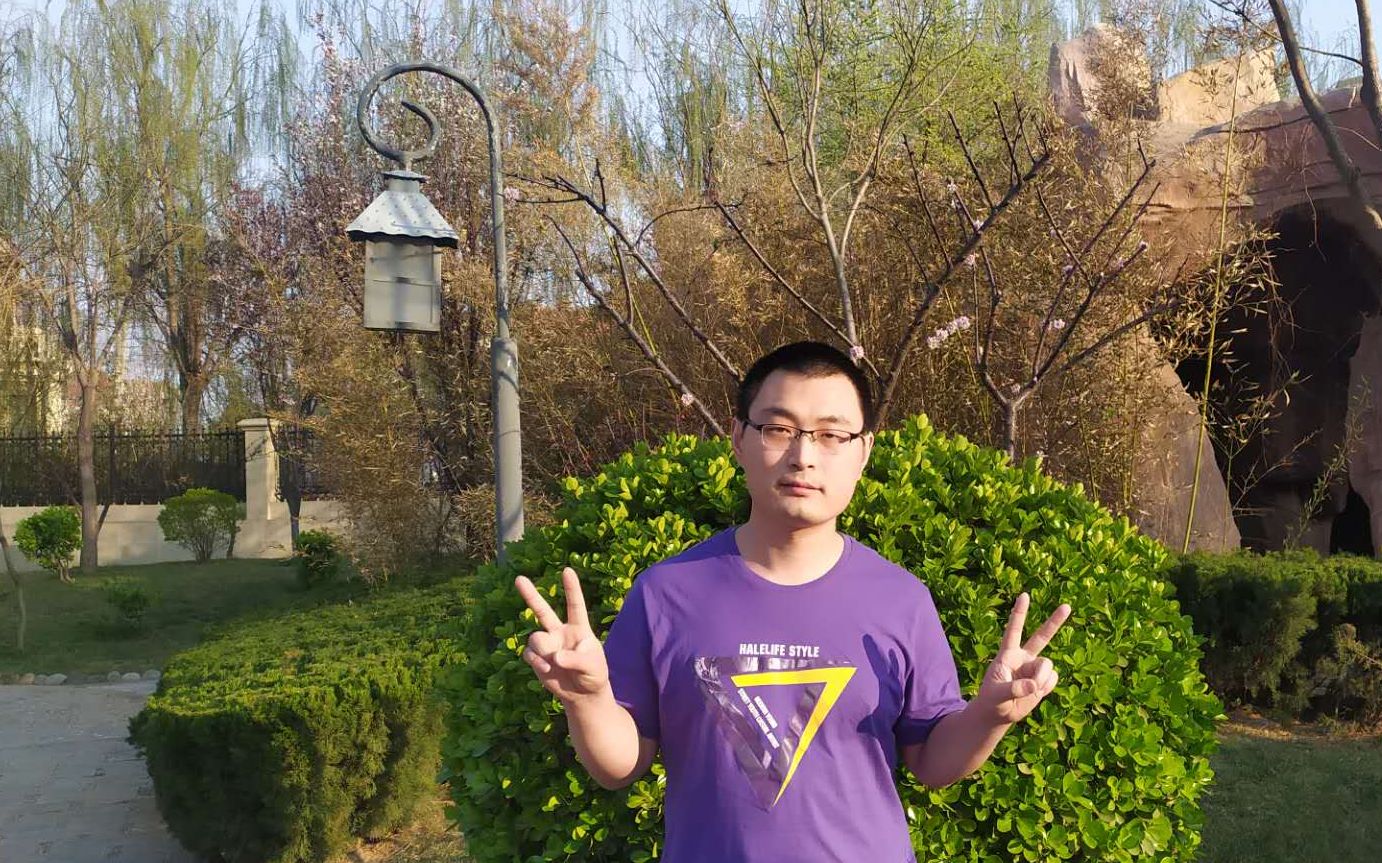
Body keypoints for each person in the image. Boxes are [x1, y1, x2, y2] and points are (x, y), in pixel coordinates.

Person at [516, 341, 1070, 862]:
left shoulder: (901, 600)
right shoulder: (666, 592)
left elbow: (931, 761)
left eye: (832, 435)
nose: (803, 456)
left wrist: (989, 715)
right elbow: (620, 766)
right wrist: (588, 699)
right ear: (739, 437)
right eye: (779, 429)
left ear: (863, 451)